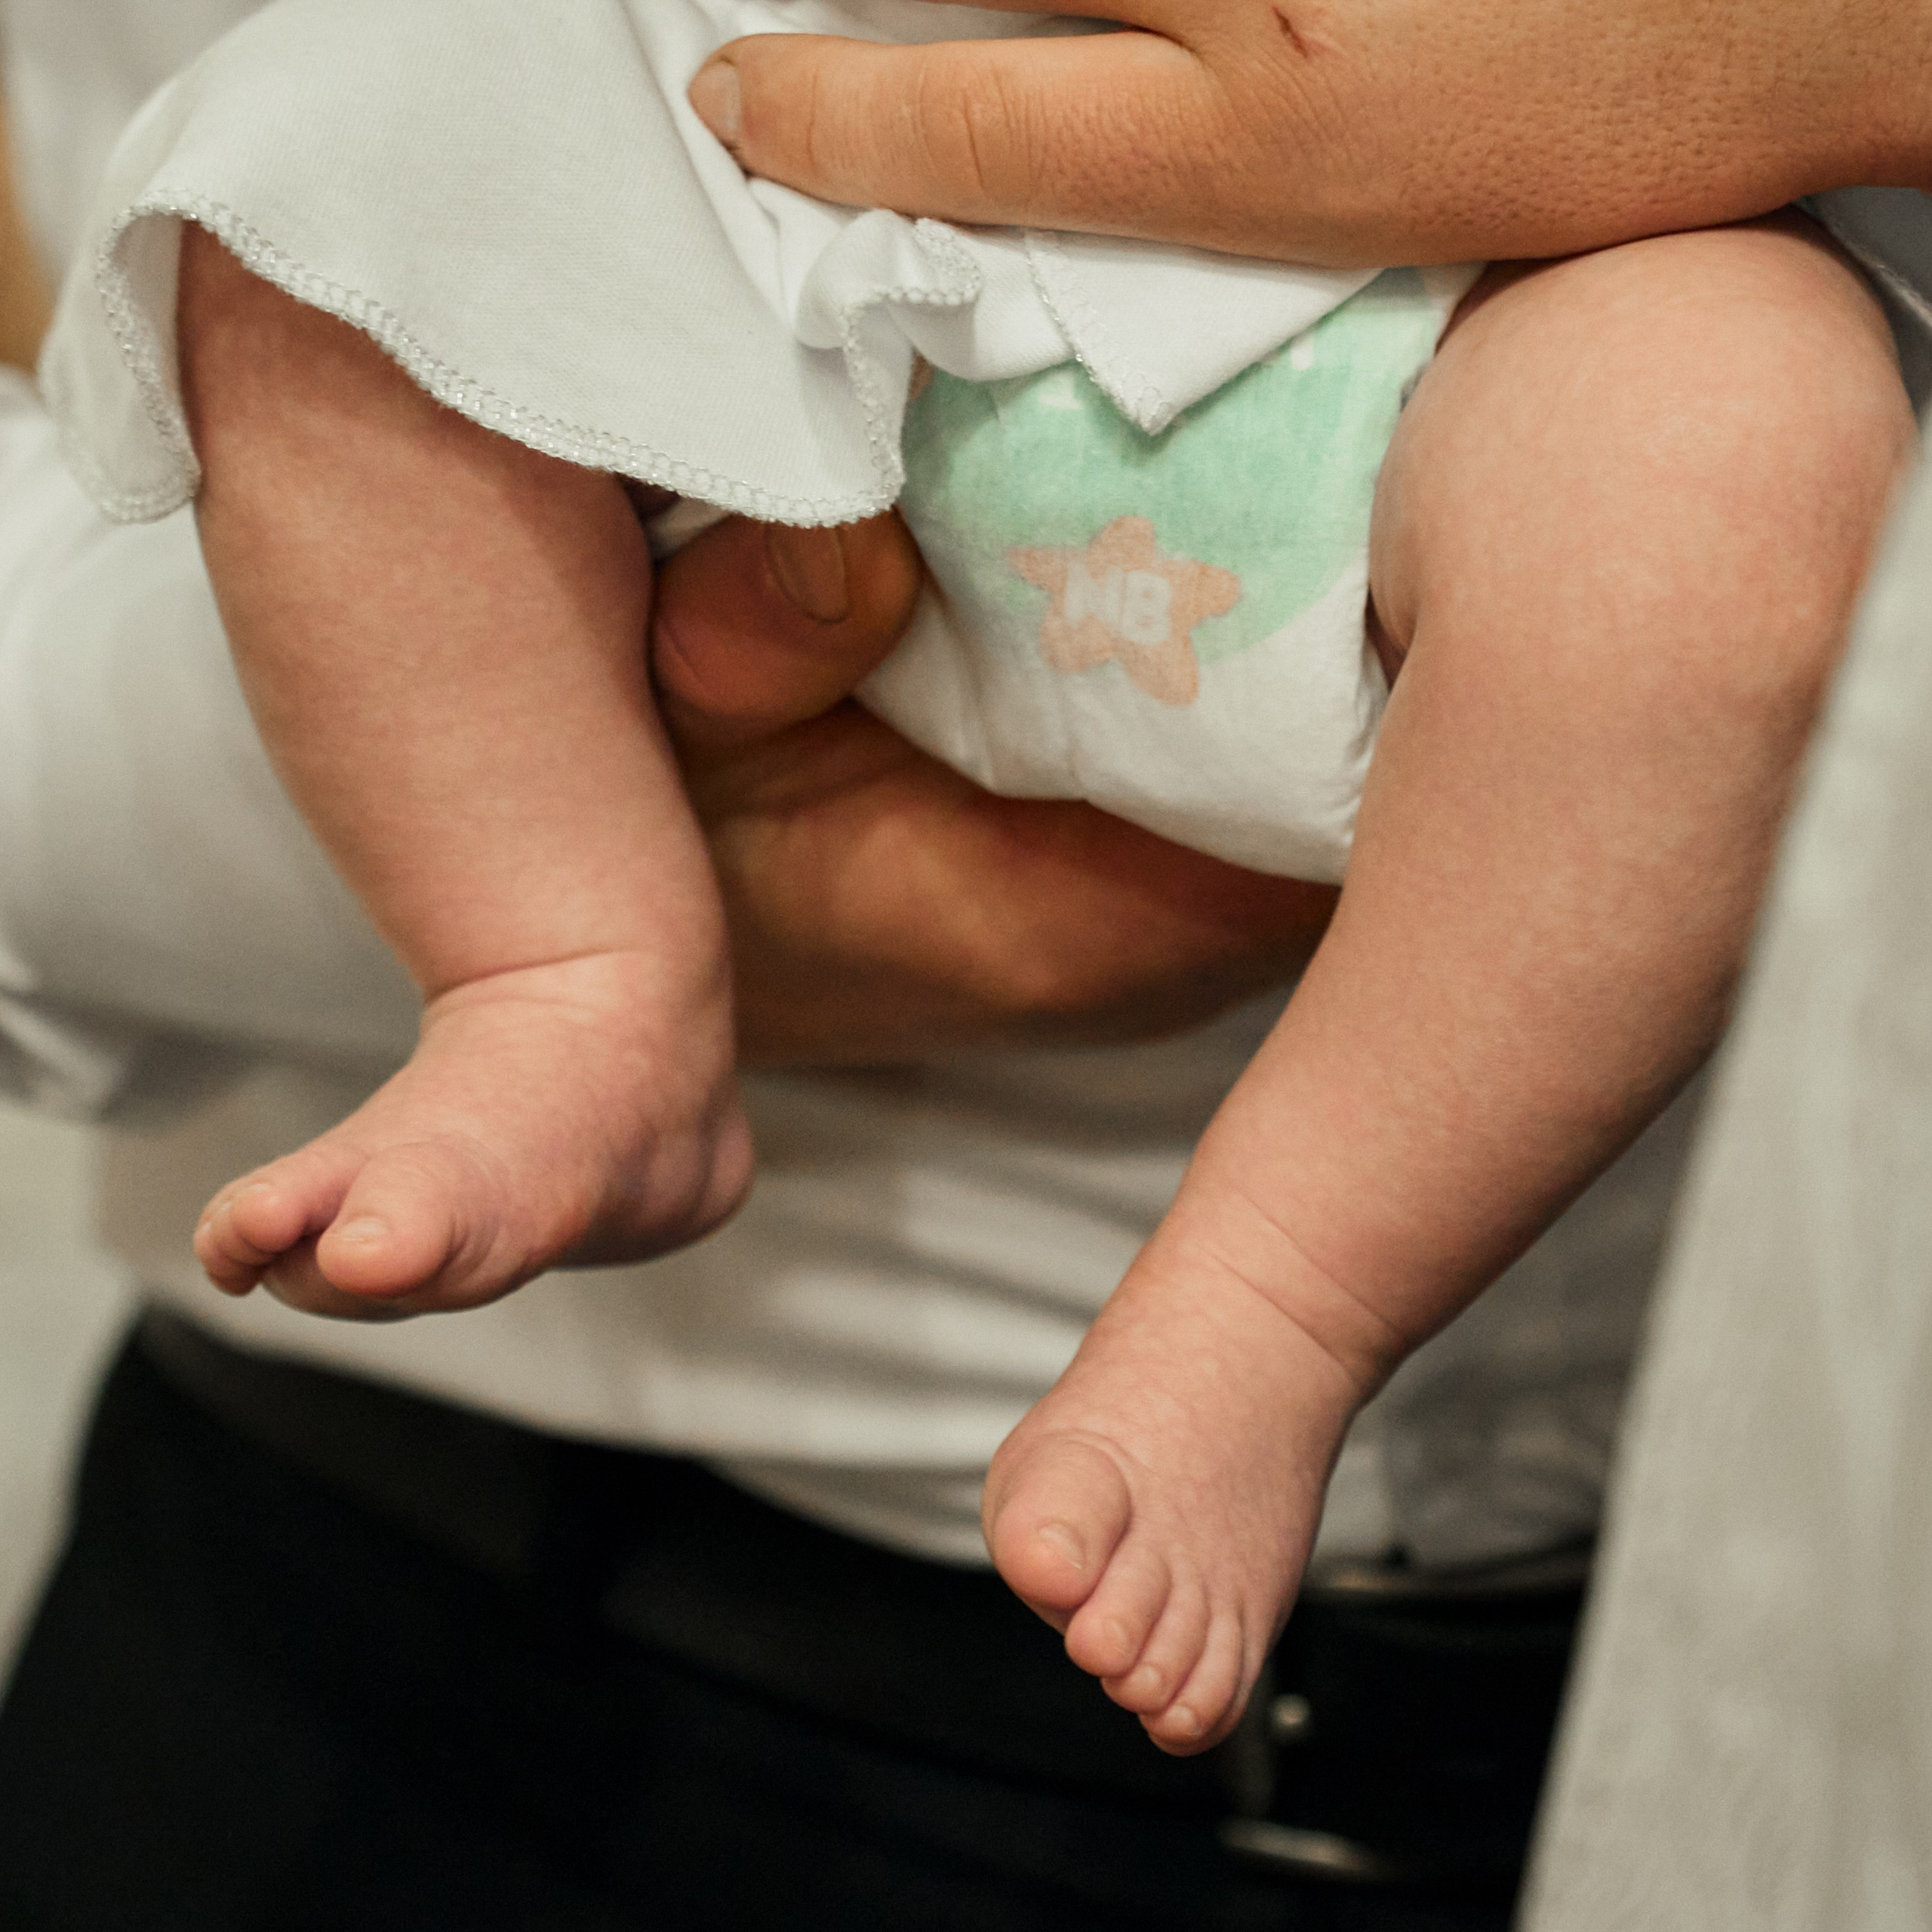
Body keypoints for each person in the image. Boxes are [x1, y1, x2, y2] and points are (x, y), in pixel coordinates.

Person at [0, 3, 1924, 1929]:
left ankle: (1272, 1298)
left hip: (1470, 318)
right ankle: (561, 973)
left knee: (1735, 445)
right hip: (741, 214)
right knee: (319, 176)